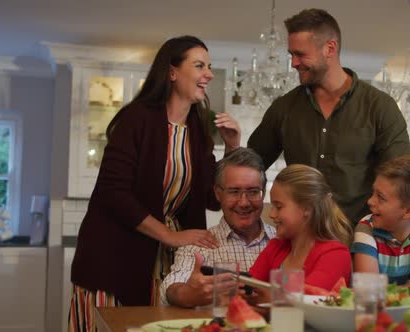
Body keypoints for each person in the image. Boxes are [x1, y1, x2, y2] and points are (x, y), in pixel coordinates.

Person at [69, 36, 241, 331]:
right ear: (172, 72)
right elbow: (113, 193)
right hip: (114, 258)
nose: (209, 74)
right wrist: (169, 236)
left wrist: (232, 148)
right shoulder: (136, 119)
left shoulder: (198, 130)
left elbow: (211, 198)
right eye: (199, 65)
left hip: (166, 265)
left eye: (209, 66)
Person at [247, 8, 410, 225]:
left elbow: (403, 178)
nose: (294, 63)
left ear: (330, 48)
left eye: (300, 54)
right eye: (291, 55)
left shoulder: (379, 106)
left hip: (359, 245)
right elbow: (250, 167)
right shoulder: (284, 108)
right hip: (300, 243)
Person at [160, 147, 276, 307]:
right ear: (217, 193)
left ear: (263, 192)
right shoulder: (198, 245)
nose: (244, 202)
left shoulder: (284, 241)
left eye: (253, 191)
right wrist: (188, 294)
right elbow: (171, 288)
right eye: (234, 191)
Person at [351, 155, 410, 298]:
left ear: (409, 211)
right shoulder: (366, 227)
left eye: (381, 197)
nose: (370, 201)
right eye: (373, 192)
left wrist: (383, 290)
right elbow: (368, 291)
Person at [249, 164, 353, 290]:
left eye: (279, 206)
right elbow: (249, 289)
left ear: (307, 208)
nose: (271, 214)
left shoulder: (336, 255)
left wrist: (262, 296)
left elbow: (305, 302)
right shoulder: (275, 247)